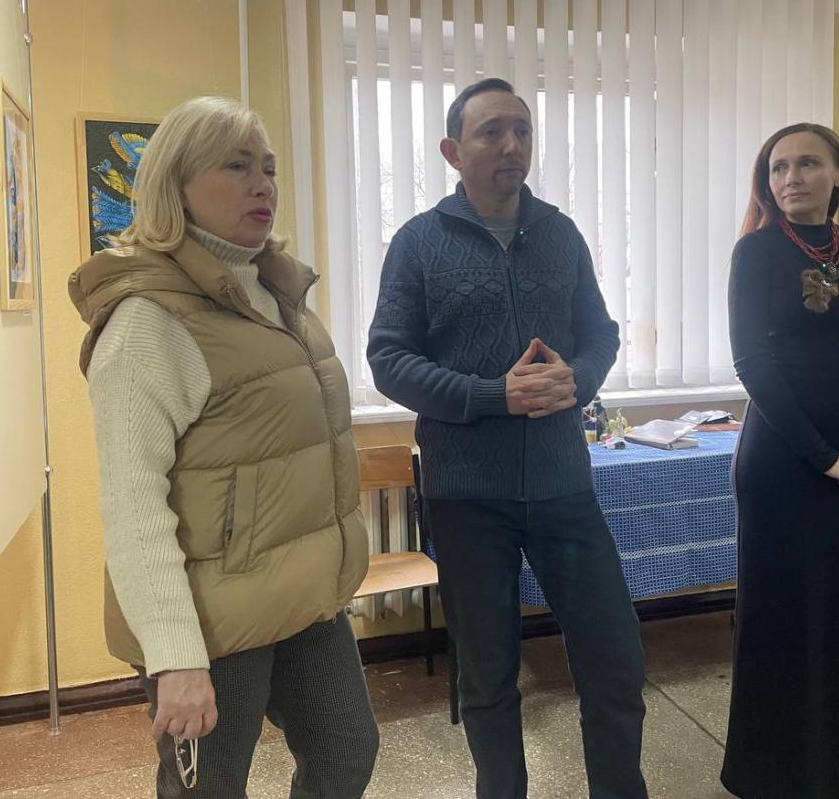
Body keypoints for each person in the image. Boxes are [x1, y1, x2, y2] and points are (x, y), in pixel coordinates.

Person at [69, 96, 378, 798]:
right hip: (213, 615)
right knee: (208, 788)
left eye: (268, 168)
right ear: (175, 185)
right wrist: (175, 657)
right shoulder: (146, 321)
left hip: (304, 593)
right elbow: (133, 509)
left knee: (346, 748)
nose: (263, 184)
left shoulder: (276, 294)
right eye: (236, 167)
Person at [367, 77, 647, 799]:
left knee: (615, 660)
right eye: (492, 131)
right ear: (453, 151)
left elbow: (600, 333)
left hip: (563, 484)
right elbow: (388, 359)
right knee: (488, 675)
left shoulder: (560, 232)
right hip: (466, 494)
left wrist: (579, 378)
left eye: (521, 130)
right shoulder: (418, 242)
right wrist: (496, 395)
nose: (511, 144)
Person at [722, 123, 839, 799]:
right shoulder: (756, 252)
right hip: (783, 462)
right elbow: (753, 363)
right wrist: (827, 458)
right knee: (780, 618)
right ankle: (769, 776)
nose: (790, 178)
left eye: (806, 163)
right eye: (778, 167)